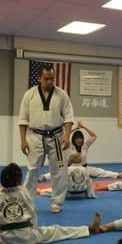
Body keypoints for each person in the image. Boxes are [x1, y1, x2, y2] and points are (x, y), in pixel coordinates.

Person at [0, 163, 99, 244]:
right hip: (28, 237)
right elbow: (33, 212)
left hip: (2, 240)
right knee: (56, 231)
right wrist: (34, 230)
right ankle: (87, 229)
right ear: (19, 180)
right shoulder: (23, 191)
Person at [19, 64, 73, 213]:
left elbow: (69, 117)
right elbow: (22, 120)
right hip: (35, 137)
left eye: (52, 79)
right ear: (39, 78)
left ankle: (57, 203)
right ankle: (28, 203)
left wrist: (67, 136)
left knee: (59, 170)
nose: (50, 82)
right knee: (32, 170)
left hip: (57, 138)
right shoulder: (29, 95)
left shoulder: (61, 95)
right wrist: (23, 140)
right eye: (46, 79)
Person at [38, 121, 121, 182]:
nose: (79, 140)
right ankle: (44, 177)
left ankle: (118, 175)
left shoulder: (85, 145)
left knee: (100, 171)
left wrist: (84, 127)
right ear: (74, 139)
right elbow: (62, 139)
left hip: (84, 168)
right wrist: (73, 129)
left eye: (80, 138)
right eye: (77, 138)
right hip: (70, 168)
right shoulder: (69, 145)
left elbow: (94, 136)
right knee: (59, 172)